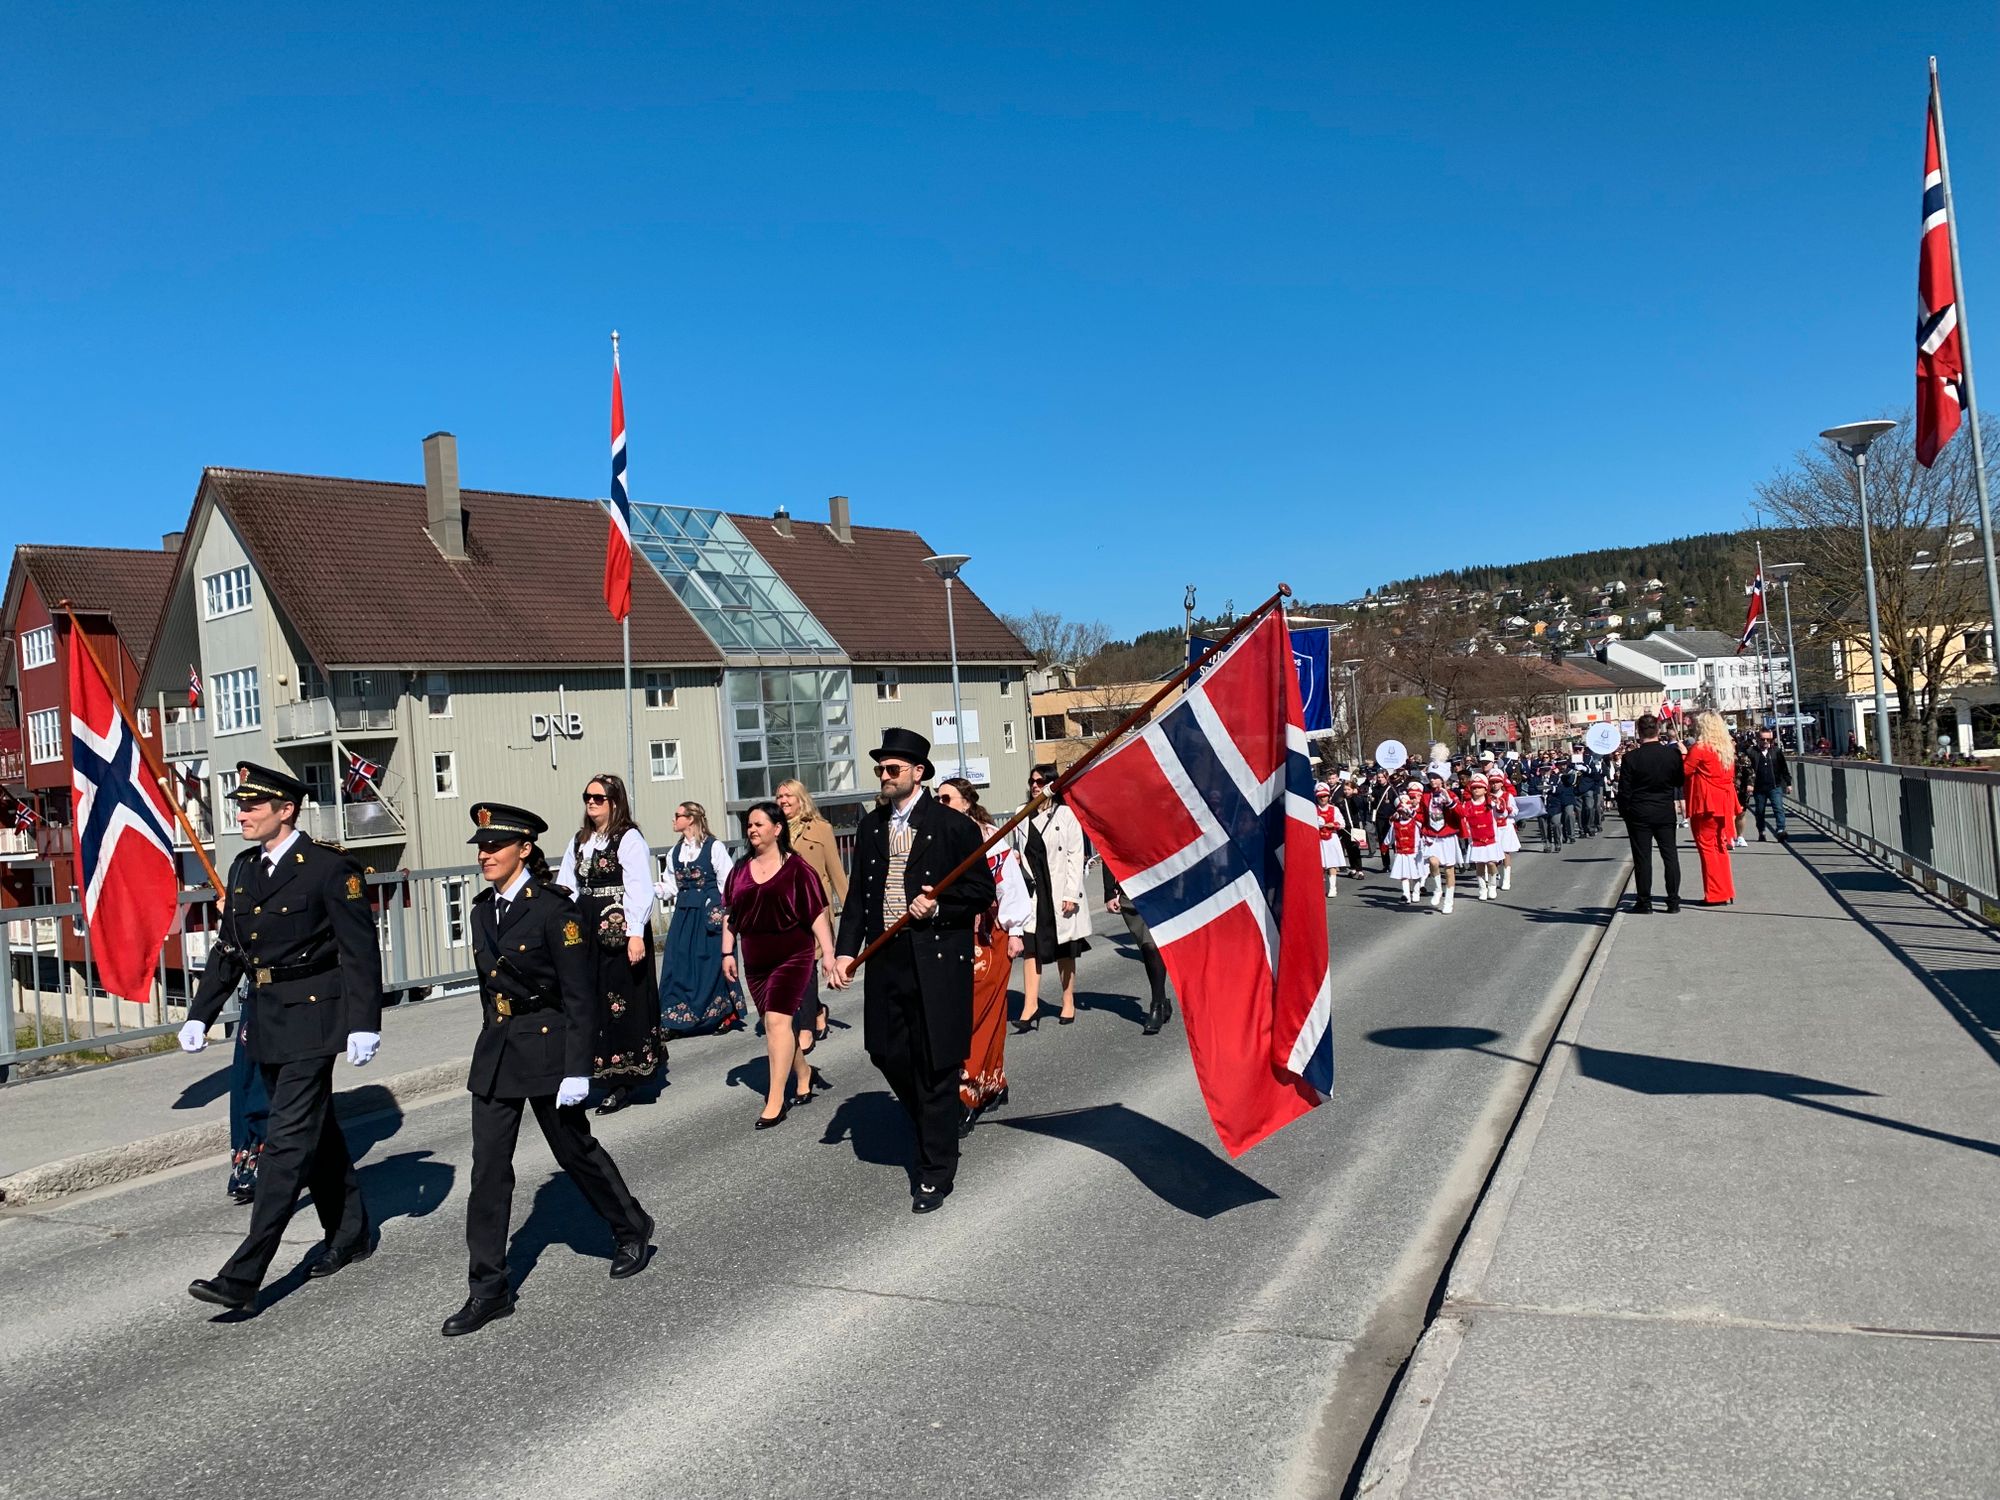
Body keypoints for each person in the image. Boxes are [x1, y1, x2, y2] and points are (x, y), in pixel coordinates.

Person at [177, 763, 382, 1313]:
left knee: (286, 1141)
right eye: (239, 805)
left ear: (285, 810)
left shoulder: (329, 869)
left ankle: (244, 1274)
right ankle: (350, 1231)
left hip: (316, 1018)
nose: (240, 814)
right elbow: (230, 950)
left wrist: (365, 1022)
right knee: (318, 1131)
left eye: (252, 806)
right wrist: (202, 1013)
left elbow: (359, 950)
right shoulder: (244, 868)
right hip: (267, 1019)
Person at [446, 802, 652, 1337]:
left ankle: (630, 1226)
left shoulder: (553, 909)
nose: (485, 855)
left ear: (525, 849)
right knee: (488, 1170)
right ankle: (488, 1289)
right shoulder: (481, 909)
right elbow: (490, 991)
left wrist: (578, 1068)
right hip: (498, 1050)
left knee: (574, 1150)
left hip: (548, 1044)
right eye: (481, 847)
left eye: (496, 846)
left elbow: (580, 996)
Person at [829, 729, 994, 1214]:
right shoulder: (871, 826)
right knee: (884, 1049)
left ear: (918, 773)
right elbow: (859, 895)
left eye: (892, 769)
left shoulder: (950, 825)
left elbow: (981, 892)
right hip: (886, 958)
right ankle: (933, 1118)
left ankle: (935, 1171)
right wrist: (844, 952)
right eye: (880, 769)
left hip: (936, 960)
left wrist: (939, 906)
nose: (883, 775)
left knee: (937, 1065)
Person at [722, 801, 838, 1128]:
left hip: (792, 954)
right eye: (749, 825)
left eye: (759, 824)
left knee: (775, 1023)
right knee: (779, 1028)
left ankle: (775, 1099)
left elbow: (816, 912)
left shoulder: (797, 868)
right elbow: (730, 915)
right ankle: (804, 1072)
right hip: (756, 959)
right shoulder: (740, 870)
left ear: (777, 829)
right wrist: (727, 953)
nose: (752, 830)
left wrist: (828, 953)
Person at [557, 773, 662, 1115]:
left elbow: (639, 886)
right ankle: (591, 1073)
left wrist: (635, 932)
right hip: (587, 929)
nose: (590, 802)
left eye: (598, 797)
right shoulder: (580, 841)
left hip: (619, 928)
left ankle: (623, 1079)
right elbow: (567, 885)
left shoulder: (628, 838)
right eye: (587, 796)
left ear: (614, 802)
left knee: (622, 999)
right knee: (590, 998)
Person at [933, 778, 1031, 1129]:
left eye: (946, 798)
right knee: (959, 1013)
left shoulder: (987, 837)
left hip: (988, 934)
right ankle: (993, 1083)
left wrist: (1016, 929)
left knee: (977, 1013)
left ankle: (966, 1092)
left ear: (965, 803)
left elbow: (1008, 883)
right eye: (936, 797)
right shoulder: (936, 838)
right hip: (949, 936)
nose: (939, 803)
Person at [1014, 763, 1090, 1029]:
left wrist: (1072, 893)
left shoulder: (1066, 815)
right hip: (1034, 891)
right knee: (1031, 948)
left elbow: (1074, 856)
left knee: (1063, 950)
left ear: (1053, 784)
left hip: (1058, 890)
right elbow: (1017, 851)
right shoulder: (1020, 815)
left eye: (1041, 781)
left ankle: (1068, 1001)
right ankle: (1030, 1005)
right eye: (1032, 781)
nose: (1035, 785)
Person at [777, 778, 848, 1043]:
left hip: (813, 909)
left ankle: (805, 1027)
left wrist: (853, 912)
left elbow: (836, 872)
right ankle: (817, 1009)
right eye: (779, 796)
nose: (782, 801)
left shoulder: (821, 829)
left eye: (787, 796)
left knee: (806, 965)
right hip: (784, 912)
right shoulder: (776, 831)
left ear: (800, 798)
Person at [658, 800, 738, 1035]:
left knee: (709, 964)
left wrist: (721, 912)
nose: (674, 820)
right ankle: (673, 1019)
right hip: (684, 916)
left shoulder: (714, 847)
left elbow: (728, 883)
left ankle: (722, 1013)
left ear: (690, 819)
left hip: (708, 916)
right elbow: (671, 887)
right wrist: (648, 888)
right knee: (677, 963)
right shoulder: (675, 852)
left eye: (677, 815)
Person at [1618, 713, 1686, 914]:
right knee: (1670, 856)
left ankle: (1644, 902)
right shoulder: (1671, 754)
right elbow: (1679, 782)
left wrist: (1625, 812)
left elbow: (1624, 791)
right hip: (1664, 810)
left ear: (1639, 732)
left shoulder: (1630, 757)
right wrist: (1682, 756)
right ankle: (1673, 901)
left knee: (1643, 858)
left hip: (1639, 812)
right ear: (1658, 731)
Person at [1683, 711, 1740, 907]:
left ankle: (1715, 893)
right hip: (1723, 802)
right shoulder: (1725, 749)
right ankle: (1726, 889)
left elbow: (1685, 771)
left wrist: (1683, 753)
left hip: (1706, 804)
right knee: (1719, 845)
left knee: (1707, 847)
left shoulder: (1700, 748)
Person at [224, 1006, 268, 1205]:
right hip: (257, 993)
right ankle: (246, 1165)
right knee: (246, 1081)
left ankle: (264, 1165)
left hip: (299, 998)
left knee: (263, 1084)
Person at [1419, 767, 1461, 913]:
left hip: (1447, 836)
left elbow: (1461, 813)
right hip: (1432, 835)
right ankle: (1438, 889)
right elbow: (1420, 815)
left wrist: (1449, 802)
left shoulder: (1450, 795)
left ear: (1443, 779)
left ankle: (1448, 901)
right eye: (1430, 777)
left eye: (1435, 777)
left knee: (1449, 870)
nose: (1432, 780)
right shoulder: (1425, 796)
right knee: (1433, 861)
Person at [1459, 774, 1504, 900]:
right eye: (1474, 788)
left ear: (1485, 789)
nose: (1476, 790)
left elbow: (1501, 813)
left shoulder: (1491, 802)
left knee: (1491, 863)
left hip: (1490, 839)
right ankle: (1482, 888)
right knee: (1479, 865)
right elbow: (1462, 818)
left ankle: (1492, 885)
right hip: (1476, 840)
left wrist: (1500, 804)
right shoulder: (1467, 804)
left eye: (1479, 787)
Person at [1745, 728, 1792, 840]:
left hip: (1774, 786)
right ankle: (1762, 830)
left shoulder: (1776, 751)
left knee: (1778, 808)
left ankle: (1780, 830)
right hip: (1758, 787)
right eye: (1763, 739)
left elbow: (1783, 768)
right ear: (1757, 739)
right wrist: (1749, 784)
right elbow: (1747, 770)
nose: (1766, 741)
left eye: (1769, 739)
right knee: (1760, 811)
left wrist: (1788, 783)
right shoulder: (1751, 752)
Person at [1387, 790, 1426, 902]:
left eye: (1406, 811)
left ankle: (1416, 893)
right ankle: (1406, 894)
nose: (1404, 814)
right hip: (1401, 852)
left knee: (1416, 874)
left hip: (1415, 852)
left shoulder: (1416, 822)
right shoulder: (1396, 823)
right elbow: (1390, 836)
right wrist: (1385, 844)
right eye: (1402, 812)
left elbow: (1424, 830)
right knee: (1404, 874)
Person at [1315, 783, 1347, 898]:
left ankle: (1333, 888)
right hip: (1318, 839)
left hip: (1331, 838)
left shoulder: (1334, 809)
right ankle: (1320, 888)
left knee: (1332, 864)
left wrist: (1332, 824)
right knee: (1320, 865)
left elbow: (1342, 823)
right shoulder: (1313, 809)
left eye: (1324, 796)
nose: (1322, 799)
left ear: (1328, 796)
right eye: (1320, 796)